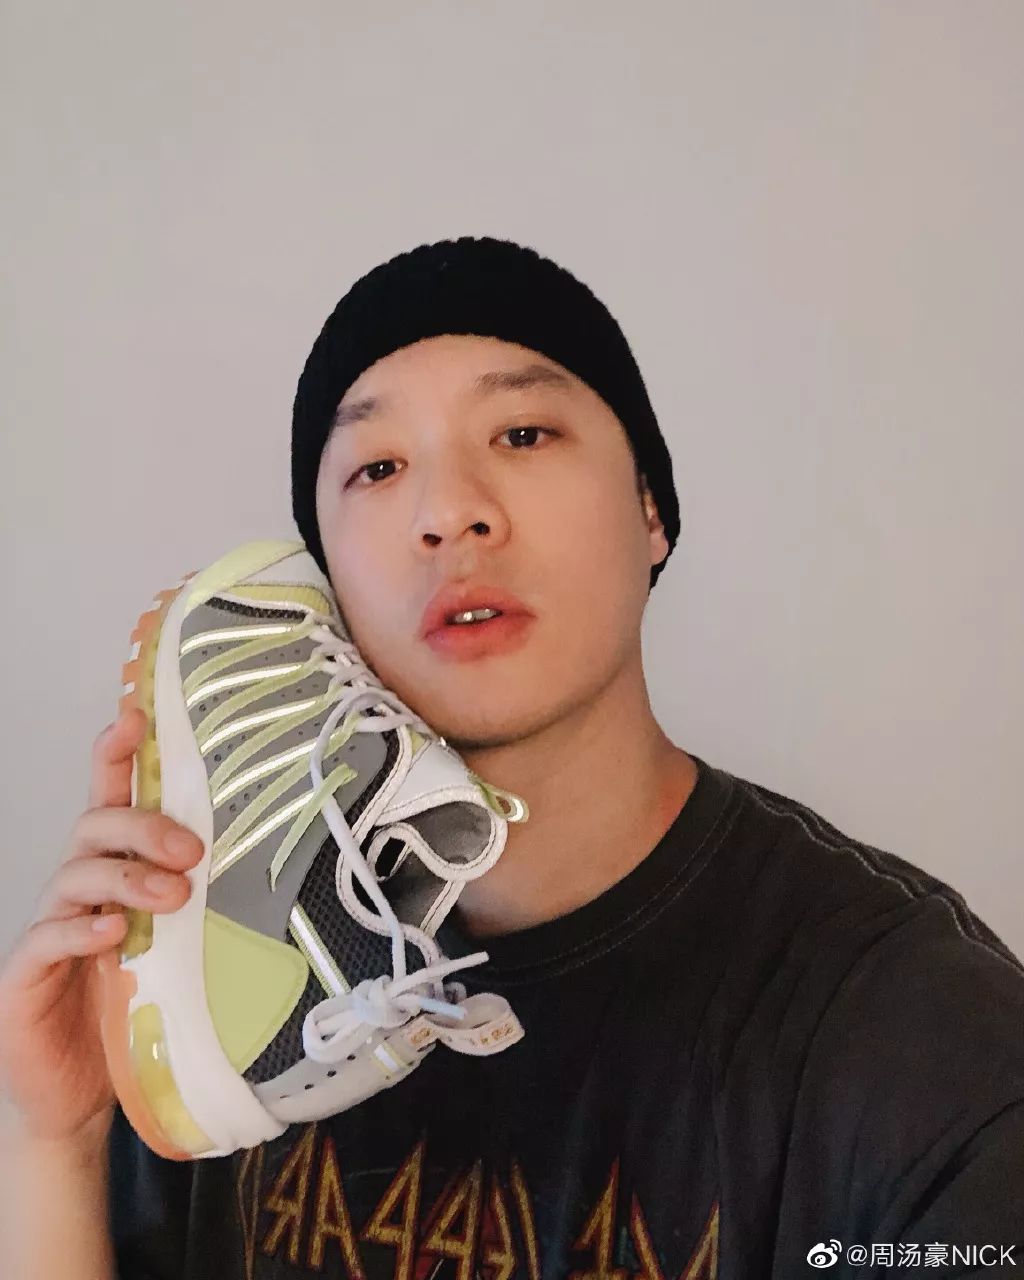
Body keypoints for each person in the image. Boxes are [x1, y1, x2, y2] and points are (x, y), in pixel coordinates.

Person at [2, 236, 1022, 1280]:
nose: (450, 512)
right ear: (325, 581)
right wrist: (61, 1140)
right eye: (377, 468)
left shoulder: (908, 1027)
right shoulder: (234, 985)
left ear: (651, 510)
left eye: (523, 432)